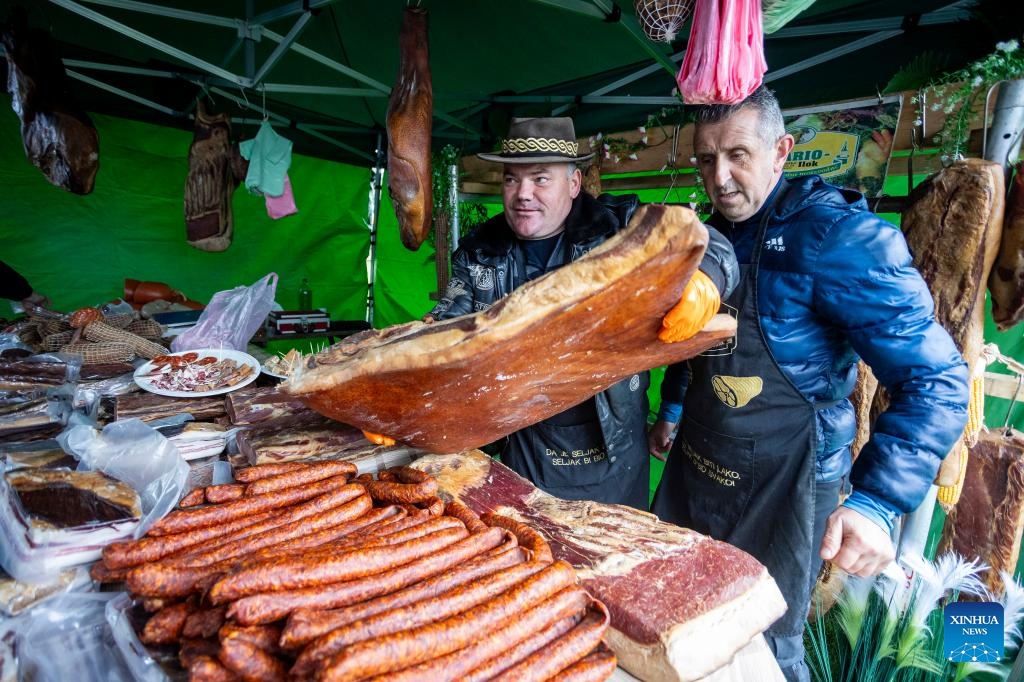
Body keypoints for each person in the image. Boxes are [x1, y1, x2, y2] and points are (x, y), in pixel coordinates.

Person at [648, 86, 969, 681]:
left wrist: (877, 502)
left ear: (781, 151)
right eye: (706, 159)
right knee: (669, 618)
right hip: (698, 462)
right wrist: (671, 406)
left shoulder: (839, 239)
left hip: (786, 482)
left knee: (759, 648)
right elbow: (693, 339)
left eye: (738, 155)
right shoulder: (709, 235)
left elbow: (938, 380)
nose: (719, 178)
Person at [425, 116, 738, 510]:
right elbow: (447, 328)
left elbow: (708, 241)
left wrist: (705, 278)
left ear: (574, 184)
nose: (522, 194)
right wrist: (414, 392)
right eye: (511, 179)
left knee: (613, 542)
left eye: (540, 179)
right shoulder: (480, 251)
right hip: (525, 442)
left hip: (614, 446)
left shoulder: (619, 227)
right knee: (530, 537)